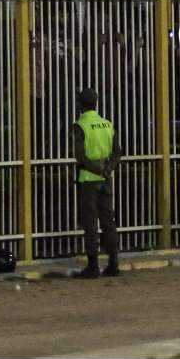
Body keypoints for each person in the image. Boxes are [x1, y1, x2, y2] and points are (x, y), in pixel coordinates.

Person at [71, 88, 123, 278]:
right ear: (96, 103)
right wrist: (107, 170)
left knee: (91, 222)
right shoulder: (107, 124)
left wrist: (97, 170)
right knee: (109, 220)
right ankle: (114, 263)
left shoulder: (80, 125)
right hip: (107, 180)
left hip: (88, 180)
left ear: (80, 105)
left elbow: (80, 156)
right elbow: (118, 152)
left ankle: (93, 265)